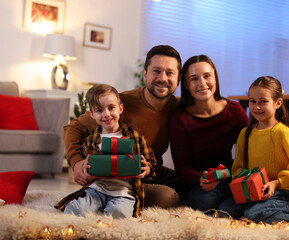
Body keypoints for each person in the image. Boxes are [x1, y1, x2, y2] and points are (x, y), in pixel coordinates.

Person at [64, 45, 185, 208]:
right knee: (168, 197)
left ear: (178, 79)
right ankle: (109, 200)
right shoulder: (119, 104)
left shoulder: (178, 107)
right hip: (118, 177)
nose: (162, 78)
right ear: (145, 74)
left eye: (169, 73)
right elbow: (74, 127)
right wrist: (77, 162)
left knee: (186, 184)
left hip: (149, 169)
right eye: (156, 71)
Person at [55, 84, 156, 218]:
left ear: (120, 109)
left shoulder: (135, 138)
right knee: (74, 209)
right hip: (96, 190)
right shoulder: (90, 142)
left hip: (124, 193)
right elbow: (86, 167)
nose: (106, 114)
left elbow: (151, 163)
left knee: (118, 213)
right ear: (92, 115)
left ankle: (105, 214)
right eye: (99, 110)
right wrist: (86, 171)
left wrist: (147, 169)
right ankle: (96, 211)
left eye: (111, 108)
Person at [226, 76, 289, 223]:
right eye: (252, 101)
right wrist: (246, 182)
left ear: (278, 103)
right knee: (225, 210)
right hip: (255, 192)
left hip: (284, 192)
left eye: (263, 101)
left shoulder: (283, 133)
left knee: (253, 214)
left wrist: (276, 183)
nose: (256, 107)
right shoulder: (244, 134)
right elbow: (238, 168)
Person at [169, 55, 249, 212]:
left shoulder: (234, 111)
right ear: (185, 84)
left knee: (244, 192)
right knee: (204, 202)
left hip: (229, 175)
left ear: (215, 78)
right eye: (194, 79)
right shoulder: (179, 119)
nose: (202, 84)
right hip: (199, 184)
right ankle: (232, 204)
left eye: (207, 76)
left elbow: (251, 149)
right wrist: (201, 178)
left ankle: (231, 203)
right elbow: (182, 167)